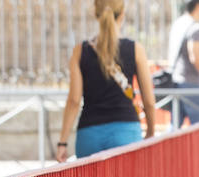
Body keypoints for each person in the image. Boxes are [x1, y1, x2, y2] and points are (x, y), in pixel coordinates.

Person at [55, 0, 155, 163]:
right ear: (122, 13)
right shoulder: (136, 50)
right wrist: (150, 132)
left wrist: (62, 142)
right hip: (127, 134)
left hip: (89, 135)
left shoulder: (80, 51)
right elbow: (149, 101)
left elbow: (74, 100)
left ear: (96, 13)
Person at [167, 0, 199, 128]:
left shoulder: (179, 23)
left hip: (176, 81)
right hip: (191, 83)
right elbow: (196, 58)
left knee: (174, 127)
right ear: (198, 5)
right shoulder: (194, 27)